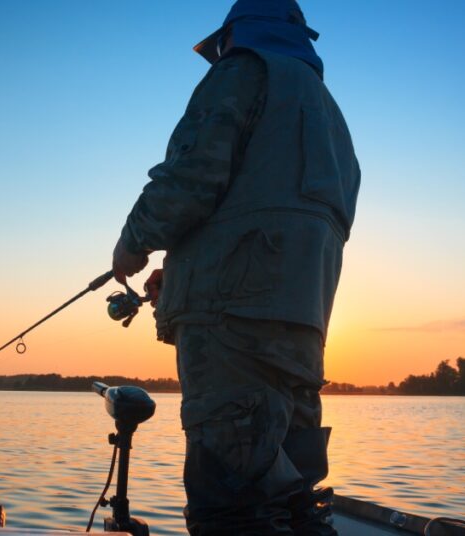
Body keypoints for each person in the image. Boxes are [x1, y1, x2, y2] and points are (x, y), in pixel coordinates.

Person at [110, 1, 360, 534]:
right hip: (303, 326)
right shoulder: (329, 111)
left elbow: (192, 178)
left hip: (231, 325)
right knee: (293, 494)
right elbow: (282, 214)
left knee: (228, 499)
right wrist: (182, 271)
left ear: (233, 36)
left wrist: (134, 241)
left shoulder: (241, 72)